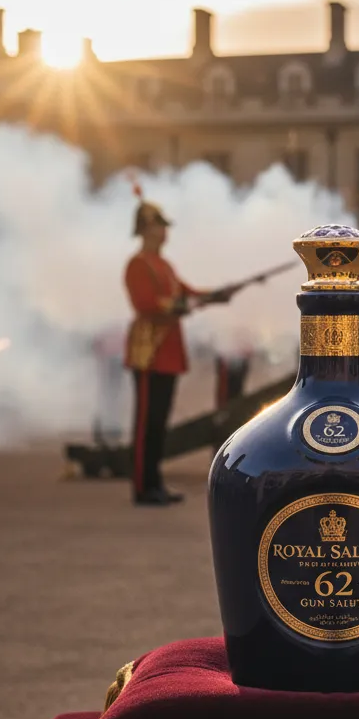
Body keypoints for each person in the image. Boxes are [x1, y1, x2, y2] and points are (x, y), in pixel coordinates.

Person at [124, 188, 235, 506]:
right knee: (146, 425)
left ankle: (154, 483)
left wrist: (216, 295)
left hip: (167, 353)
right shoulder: (138, 265)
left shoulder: (164, 265)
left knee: (159, 424)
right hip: (149, 353)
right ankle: (143, 486)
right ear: (146, 228)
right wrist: (184, 304)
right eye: (159, 225)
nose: (164, 232)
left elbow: (187, 294)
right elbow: (147, 304)